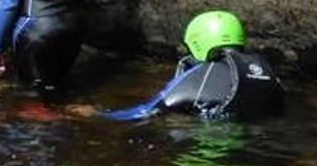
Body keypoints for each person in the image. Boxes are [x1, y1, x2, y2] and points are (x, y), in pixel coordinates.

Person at [102, 11, 285, 121]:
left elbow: (149, 110)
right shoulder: (265, 69)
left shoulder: (203, 74)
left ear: (198, 44)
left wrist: (98, 115)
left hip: (214, 146)